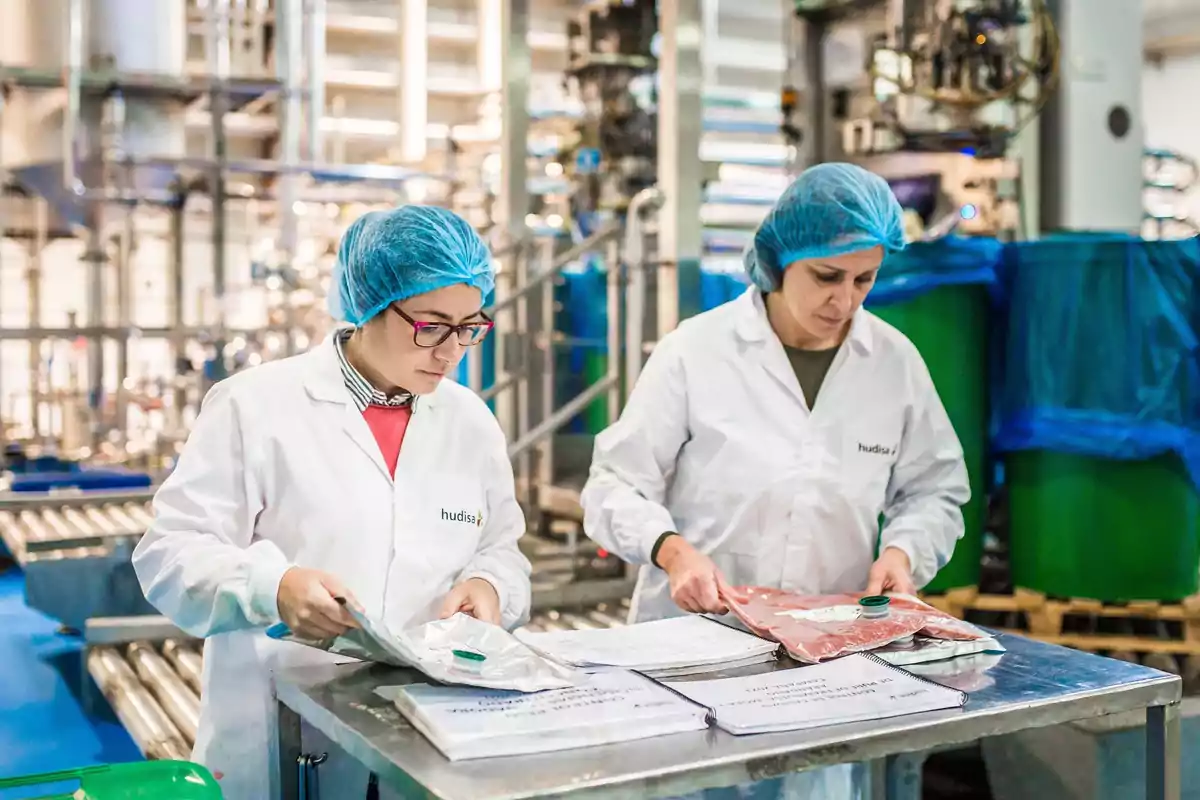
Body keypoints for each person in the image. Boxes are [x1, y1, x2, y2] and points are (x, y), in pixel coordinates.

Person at [581, 163, 969, 799]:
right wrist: (671, 551)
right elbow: (614, 484)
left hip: (829, 664)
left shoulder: (893, 362)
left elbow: (936, 490)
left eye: (863, 279)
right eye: (826, 276)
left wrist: (903, 552)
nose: (843, 300)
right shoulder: (695, 351)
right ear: (778, 258)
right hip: (695, 653)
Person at [133, 205, 531, 800]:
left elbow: (502, 547)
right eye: (431, 325)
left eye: (470, 326)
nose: (452, 351)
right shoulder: (255, 406)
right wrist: (273, 588)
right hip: (285, 738)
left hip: (429, 742)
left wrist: (490, 586)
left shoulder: (469, 421)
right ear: (371, 305)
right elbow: (168, 555)